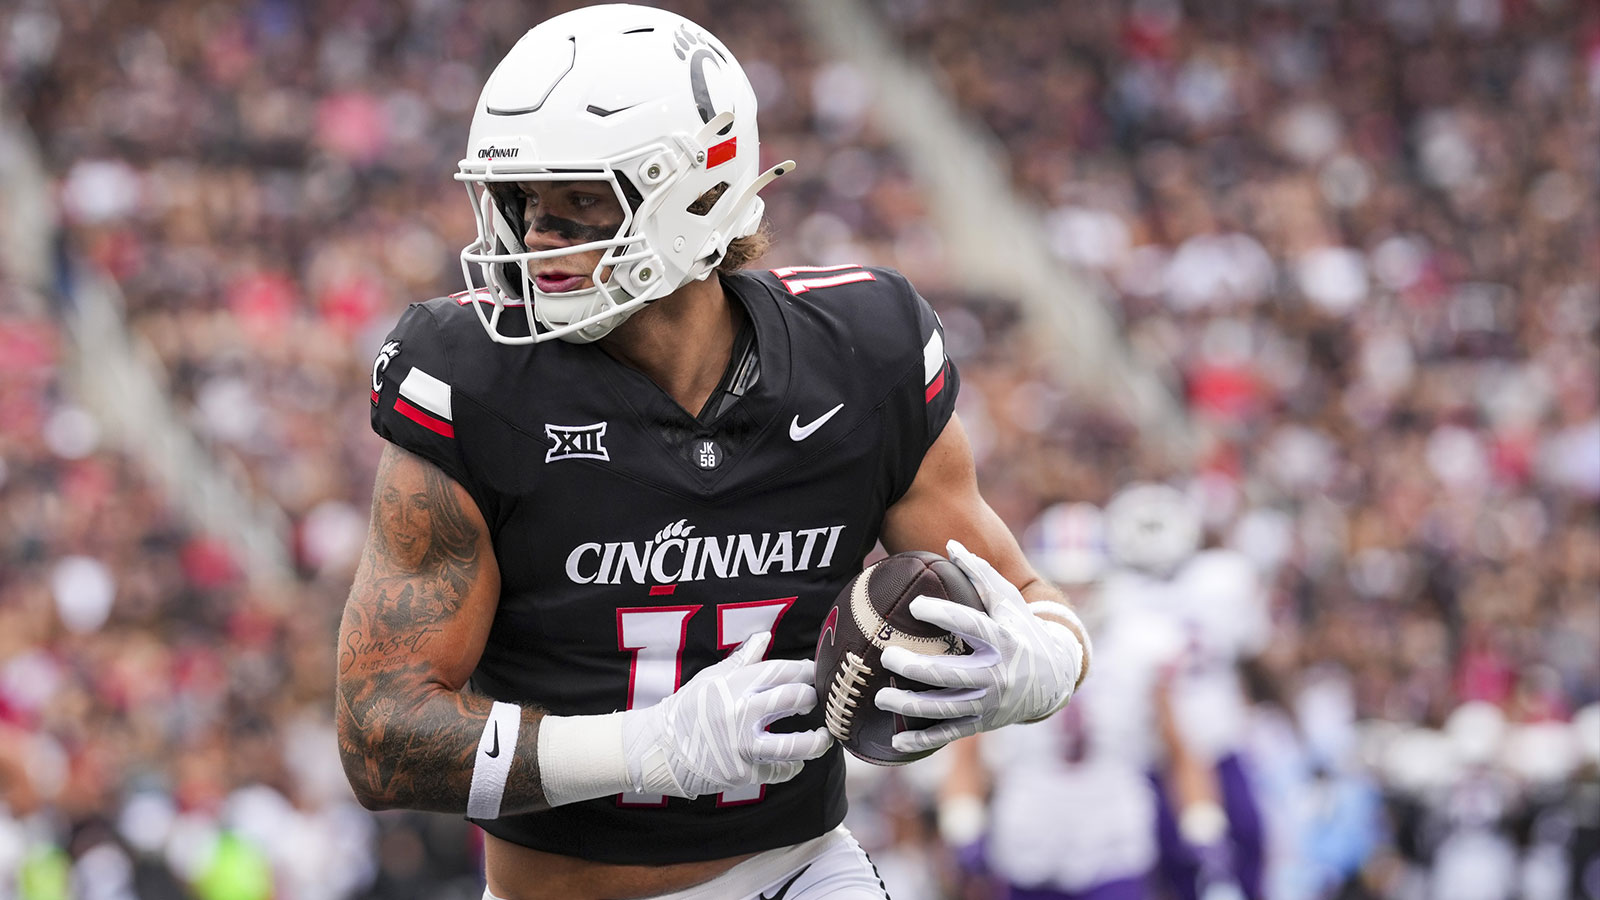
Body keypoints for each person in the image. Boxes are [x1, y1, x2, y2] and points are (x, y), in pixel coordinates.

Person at [333, 6, 1091, 900]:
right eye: (526, 201)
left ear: (698, 191)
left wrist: (1034, 669)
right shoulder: (475, 379)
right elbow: (379, 736)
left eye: (579, 201)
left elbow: (1035, 604)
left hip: (798, 874)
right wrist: (643, 749)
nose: (537, 239)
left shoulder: (863, 351)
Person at [1097, 482, 1271, 900]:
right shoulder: (1111, 595)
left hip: (1218, 742)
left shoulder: (1222, 577)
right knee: (1171, 867)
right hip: (1154, 753)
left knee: (1246, 850)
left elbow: (1251, 660)